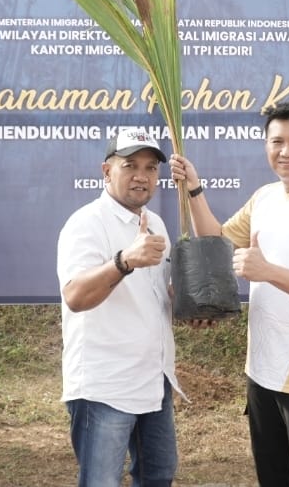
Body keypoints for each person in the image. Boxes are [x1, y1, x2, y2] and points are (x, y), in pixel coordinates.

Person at [169, 101, 289, 487]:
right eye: (277, 141)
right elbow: (218, 241)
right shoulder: (266, 197)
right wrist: (194, 188)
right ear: (266, 145)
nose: (286, 150)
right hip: (261, 370)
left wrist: (267, 271)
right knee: (272, 477)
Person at [56, 126, 183, 487]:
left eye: (150, 168)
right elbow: (76, 296)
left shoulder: (155, 223)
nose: (142, 176)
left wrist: (189, 307)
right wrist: (125, 260)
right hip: (105, 385)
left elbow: (157, 296)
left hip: (154, 379)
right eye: (130, 165)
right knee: (101, 481)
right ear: (106, 171)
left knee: (157, 475)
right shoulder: (86, 223)